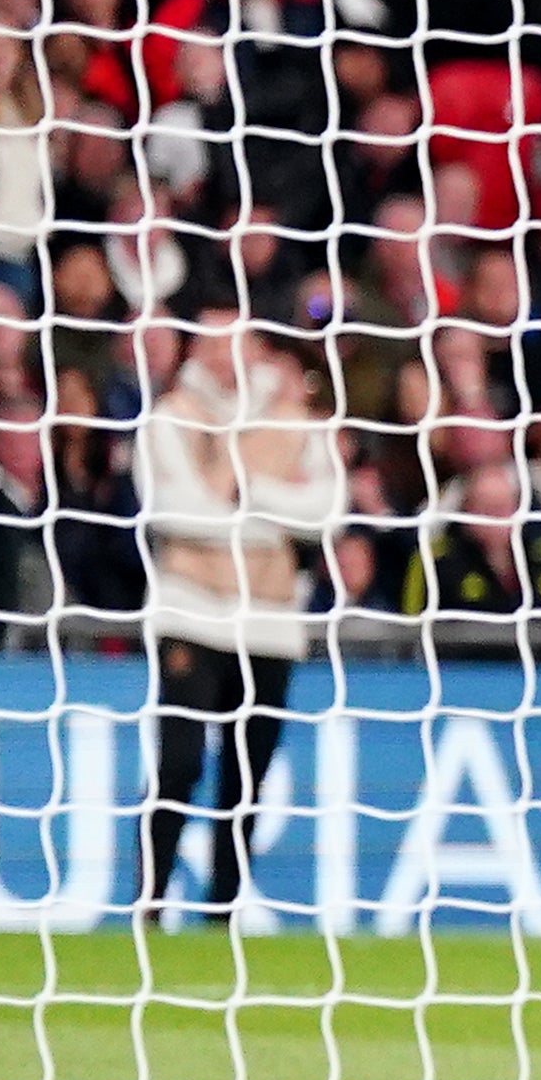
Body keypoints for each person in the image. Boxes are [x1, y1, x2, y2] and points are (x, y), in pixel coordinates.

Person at [136, 312, 345, 925]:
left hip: (271, 623)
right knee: (179, 764)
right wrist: (267, 512)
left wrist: (244, 489)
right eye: (208, 338)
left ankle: (222, 912)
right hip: (189, 613)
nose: (221, 351)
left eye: (234, 337)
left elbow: (326, 512)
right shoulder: (172, 416)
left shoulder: (293, 421)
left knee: (247, 776)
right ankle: (148, 904)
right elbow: (167, 510)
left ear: (255, 346)